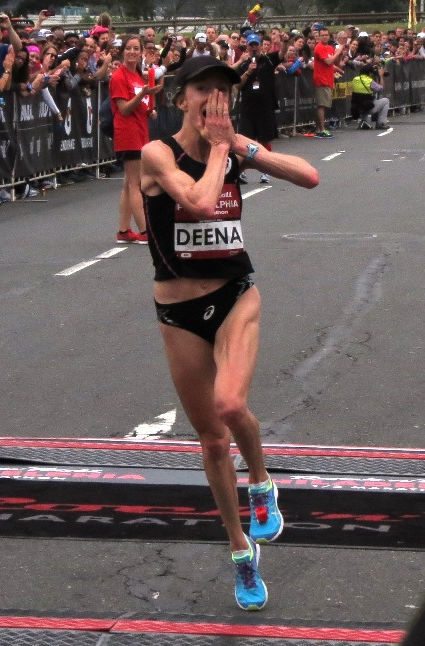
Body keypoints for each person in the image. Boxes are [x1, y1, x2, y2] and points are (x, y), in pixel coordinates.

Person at [140, 55, 319, 611]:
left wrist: (243, 146)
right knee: (213, 440)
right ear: (181, 98)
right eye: (203, 89)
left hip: (235, 294)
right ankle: (241, 551)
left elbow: (310, 176)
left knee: (230, 405)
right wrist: (221, 150)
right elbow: (193, 203)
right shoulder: (156, 154)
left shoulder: (233, 146)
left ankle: (262, 483)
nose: (214, 99)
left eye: (223, 90)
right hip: (178, 311)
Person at [110, 35, 162, 244]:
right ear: (123, 51)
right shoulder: (119, 77)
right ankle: (143, 230)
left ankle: (124, 230)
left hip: (140, 131)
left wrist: (150, 111)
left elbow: (142, 104)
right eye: (129, 48)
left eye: (136, 48)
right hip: (127, 134)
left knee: (128, 184)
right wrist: (143, 95)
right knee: (136, 183)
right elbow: (123, 109)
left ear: (141, 52)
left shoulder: (138, 76)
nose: (132, 52)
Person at [237, 33, 281, 184]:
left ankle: (265, 171)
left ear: (261, 45)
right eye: (252, 45)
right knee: (245, 142)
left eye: (257, 45)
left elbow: (282, 54)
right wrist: (249, 71)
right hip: (248, 109)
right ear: (247, 47)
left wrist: (284, 41)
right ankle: (241, 171)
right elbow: (237, 85)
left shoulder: (268, 60)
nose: (254, 47)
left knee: (264, 140)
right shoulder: (243, 64)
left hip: (265, 107)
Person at [313, 27, 348, 138]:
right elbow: (328, 61)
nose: (325, 37)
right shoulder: (319, 48)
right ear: (318, 37)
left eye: (326, 35)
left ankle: (320, 128)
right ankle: (321, 129)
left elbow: (334, 62)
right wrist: (338, 52)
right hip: (321, 79)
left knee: (325, 105)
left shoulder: (329, 48)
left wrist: (340, 56)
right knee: (322, 105)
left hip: (328, 79)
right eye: (322, 35)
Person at [351, 63, 390, 130]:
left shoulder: (355, 79)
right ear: (370, 73)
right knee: (386, 101)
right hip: (368, 107)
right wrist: (381, 76)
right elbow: (381, 88)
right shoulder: (369, 81)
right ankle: (381, 123)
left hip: (356, 107)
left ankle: (364, 123)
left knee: (364, 99)